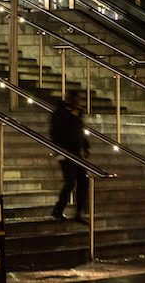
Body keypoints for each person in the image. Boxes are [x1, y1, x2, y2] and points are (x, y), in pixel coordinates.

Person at [49, 91, 91, 223]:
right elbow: (57, 131)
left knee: (83, 180)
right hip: (64, 151)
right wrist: (59, 150)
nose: (77, 103)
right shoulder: (61, 113)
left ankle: (79, 212)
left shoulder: (77, 113)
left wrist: (85, 146)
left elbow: (79, 131)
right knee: (70, 181)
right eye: (75, 100)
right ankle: (58, 209)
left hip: (76, 152)